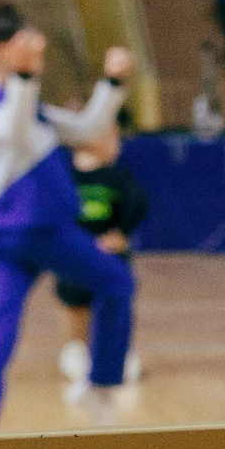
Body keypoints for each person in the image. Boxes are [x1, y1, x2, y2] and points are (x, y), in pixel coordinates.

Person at [0, 3, 136, 432]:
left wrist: (111, 83)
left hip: (5, 235)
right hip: (32, 231)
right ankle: (100, 385)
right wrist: (26, 76)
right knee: (117, 281)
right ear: (0, 50)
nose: (35, 47)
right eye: (23, 42)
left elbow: (88, 130)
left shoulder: (31, 107)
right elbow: (11, 130)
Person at [54, 115, 149, 396]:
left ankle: (119, 353)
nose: (116, 144)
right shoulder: (64, 176)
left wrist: (120, 233)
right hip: (74, 256)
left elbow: (137, 204)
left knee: (115, 300)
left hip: (109, 257)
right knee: (75, 300)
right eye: (110, 137)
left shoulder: (118, 177)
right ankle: (77, 351)